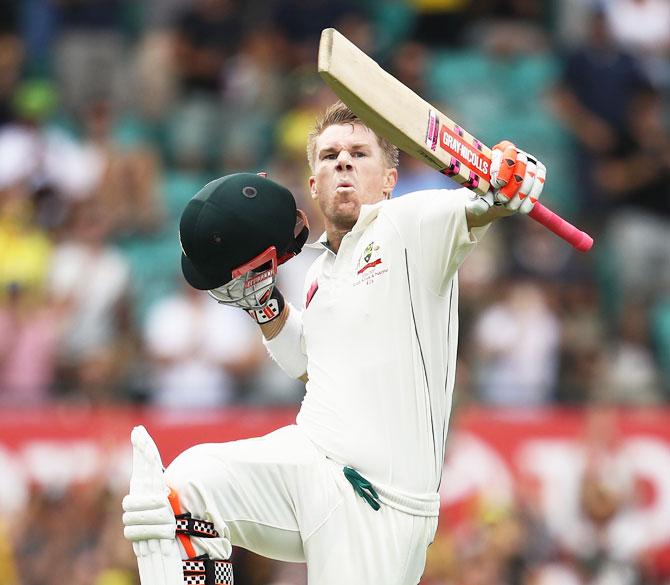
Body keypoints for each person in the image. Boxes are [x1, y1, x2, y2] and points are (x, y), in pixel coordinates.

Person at [122, 101, 546, 584]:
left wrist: (508, 172)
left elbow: (481, 204)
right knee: (184, 487)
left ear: (389, 177)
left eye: (359, 154)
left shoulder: (410, 226)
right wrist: (264, 304)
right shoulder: (319, 273)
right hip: (312, 464)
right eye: (329, 156)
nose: (342, 161)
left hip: (379, 503)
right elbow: (306, 362)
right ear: (313, 185)